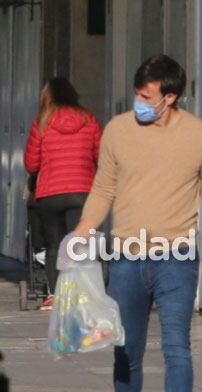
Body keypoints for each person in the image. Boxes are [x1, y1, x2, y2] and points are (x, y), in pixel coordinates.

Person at [74, 54, 202, 392]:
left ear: (171, 97)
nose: (138, 102)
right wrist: (84, 229)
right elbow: (104, 187)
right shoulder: (117, 131)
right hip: (125, 258)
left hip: (176, 258)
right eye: (137, 93)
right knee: (126, 351)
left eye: (146, 96)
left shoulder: (201, 137)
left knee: (177, 348)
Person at [24, 77, 101, 310]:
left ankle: (57, 296)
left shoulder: (42, 123)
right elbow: (101, 156)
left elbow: (31, 164)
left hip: (50, 194)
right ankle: (82, 296)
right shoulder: (90, 120)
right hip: (82, 191)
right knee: (79, 246)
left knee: (55, 245)